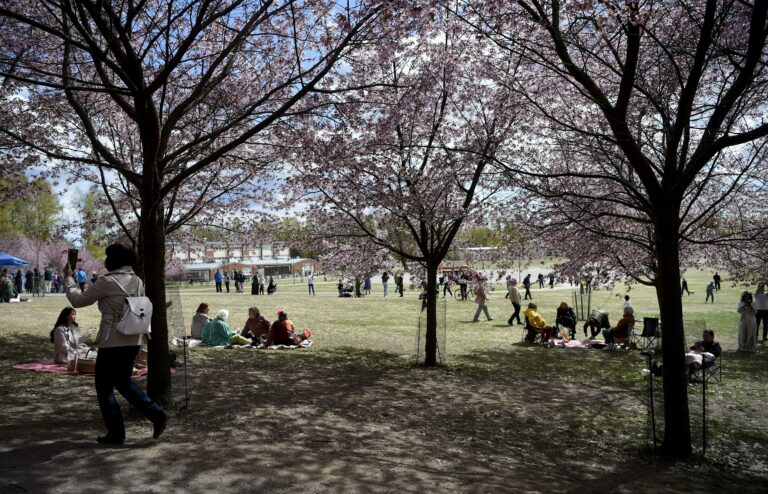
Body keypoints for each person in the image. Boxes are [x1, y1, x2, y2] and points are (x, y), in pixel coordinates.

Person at [63, 243, 168, 445]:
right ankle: (156, 414)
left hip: (112, 339)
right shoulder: (137, 280)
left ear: (112, 260)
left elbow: (78, 300)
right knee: (122, 381)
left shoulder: (107, 282)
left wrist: (69, 278)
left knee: (104, 386)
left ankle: (118, 432)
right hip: (134, 337)